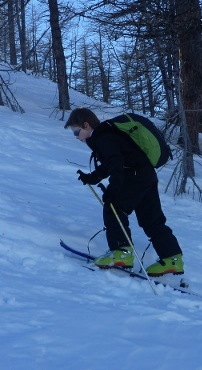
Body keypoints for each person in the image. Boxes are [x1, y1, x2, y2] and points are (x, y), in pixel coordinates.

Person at [65, 107, 184, 276]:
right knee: (151, 218)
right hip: (146, 174)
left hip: (135, 175)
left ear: (86, 125)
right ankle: (172, 258)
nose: (76, 137)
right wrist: (92, 177)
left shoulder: (103, 136)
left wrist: (113, 190)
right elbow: (113, 162)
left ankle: (121, 252)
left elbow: (115, 163)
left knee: (114, 206)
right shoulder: (107, 133)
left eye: (76, 132)